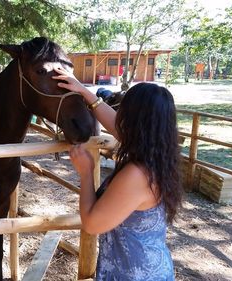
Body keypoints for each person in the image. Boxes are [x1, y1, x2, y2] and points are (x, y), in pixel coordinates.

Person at [53, 67, 183, 281]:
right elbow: (118, 128)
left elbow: (92, 224)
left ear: (133, 120)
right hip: (147, 267)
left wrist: (86, 173)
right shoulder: (157, 154)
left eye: (125, 109)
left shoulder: (137, 175)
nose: (120, 113)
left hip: (132, 273)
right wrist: (85, 92)